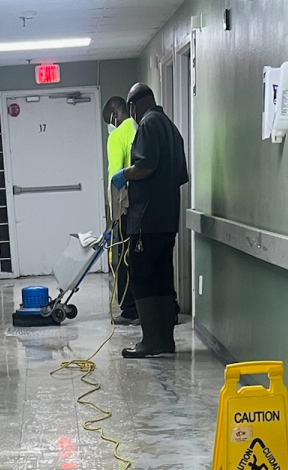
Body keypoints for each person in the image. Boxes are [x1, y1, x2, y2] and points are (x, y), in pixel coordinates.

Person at [109, 82, 188, 358]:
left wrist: (125, 174)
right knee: (163, 278)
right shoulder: (172, 129)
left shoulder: (147, 125)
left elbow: (145, 166)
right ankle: (166, 340)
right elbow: (180, 175)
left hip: (146, 221)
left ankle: (150, 341)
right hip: (167, 220)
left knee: (142, 278)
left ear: (133, 106)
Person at [103, 96, 139, 326]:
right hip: (144, 207)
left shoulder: (117, 136)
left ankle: (129, 309)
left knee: (124, 259)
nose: (109, 125)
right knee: (140, 258)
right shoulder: (139, 127)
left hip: (126, 208)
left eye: (108, 120)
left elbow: (115, 178)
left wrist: (113, 215)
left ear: (114, 115)